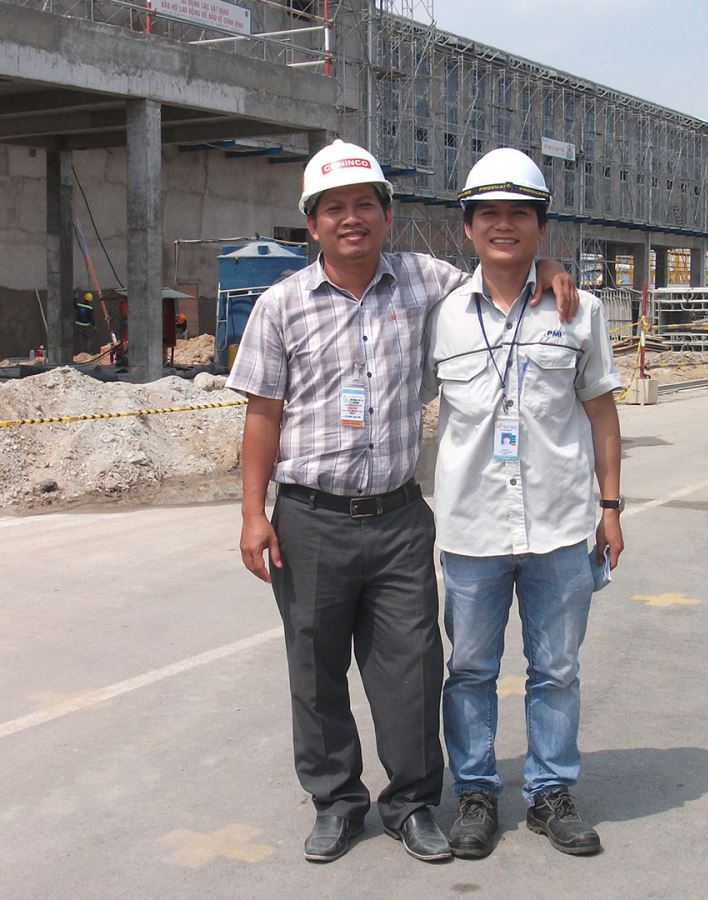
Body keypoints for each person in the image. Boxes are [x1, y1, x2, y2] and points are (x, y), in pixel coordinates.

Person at [227, 140, 576, 865]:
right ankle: (336, 801)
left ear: (387, 215)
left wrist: (546, 269)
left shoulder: (428, 283)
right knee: (314, 668)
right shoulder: (279, 306)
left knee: (413, 667)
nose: (349, 219)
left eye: (363, 205)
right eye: (333, 209)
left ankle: (414, 804)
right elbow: (262, 413)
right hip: (308, 517)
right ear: (313, 224)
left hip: (396, 517)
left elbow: (499, 268)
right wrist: (253, 513)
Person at [422, 147, 624, 859]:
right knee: (470, 670)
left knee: (557, 669)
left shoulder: (580, 310)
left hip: (561, 526)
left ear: (541, 227)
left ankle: (549, 793)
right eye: (490, 214)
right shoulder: (439, 314)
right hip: (473, 527)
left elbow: (601, 412)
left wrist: (611, 507)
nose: (504, 225)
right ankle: (476, 792)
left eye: (519, 214)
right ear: (469, 227)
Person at [73, 291, 97, 357]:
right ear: (90, 300)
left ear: (84, 298)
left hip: (79, 325)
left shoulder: (79, 305)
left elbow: (74, 305)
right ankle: (88, 353)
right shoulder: (90, 308)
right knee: (88, 339)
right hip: (86, 326)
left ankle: (83, 353)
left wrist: (76, 297)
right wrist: (94, 325)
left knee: (81, 340)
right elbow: (91, 317)